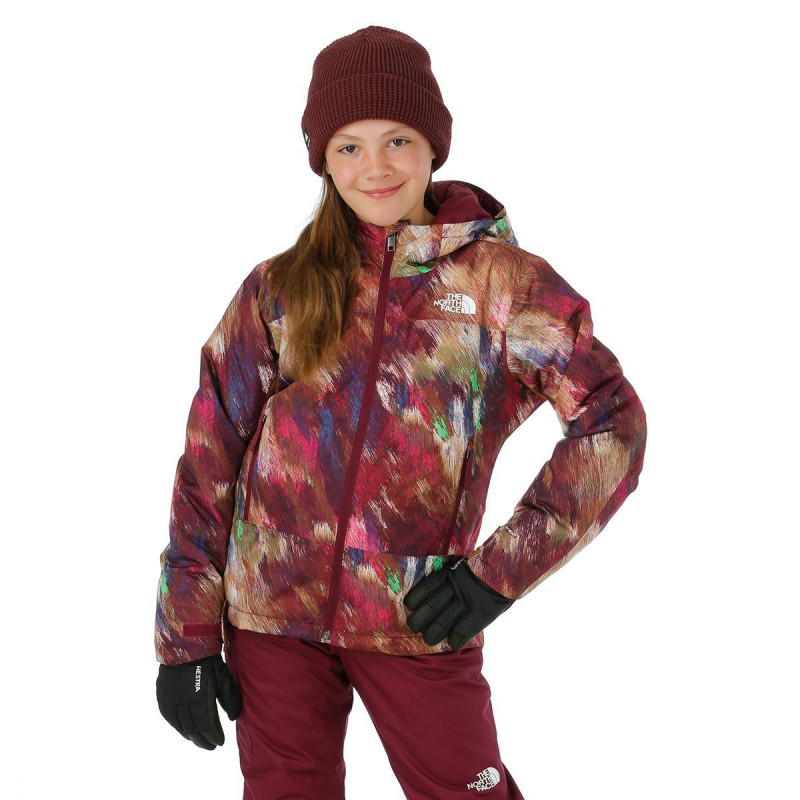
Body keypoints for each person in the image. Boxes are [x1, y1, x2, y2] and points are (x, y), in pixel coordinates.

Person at [154, 24, 647, 800]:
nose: (375, 166)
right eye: (348, 146)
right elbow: (211, 453)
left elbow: (611, 421)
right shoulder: (280, 287)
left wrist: (496, 578)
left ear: (433, 146)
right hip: (272, 617)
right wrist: (184, 634)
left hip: (419, 616)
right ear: (322, 158)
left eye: (397, 140)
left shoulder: (502, 287)